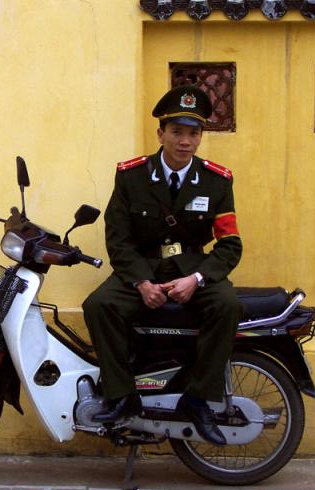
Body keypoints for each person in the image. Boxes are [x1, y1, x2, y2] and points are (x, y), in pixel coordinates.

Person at [82, 85, 242, 446]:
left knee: (227, 305)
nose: (185, 141)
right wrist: (140, 281)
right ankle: (123, 396)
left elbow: (230, 244)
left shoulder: (217, 181)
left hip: (191, 268)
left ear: (201, 137)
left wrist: (197, 279)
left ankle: (198, 399)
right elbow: (118, 238)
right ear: (161, 134)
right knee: (99, 305)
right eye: (177, 132)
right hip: (143, 266)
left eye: (193, 133)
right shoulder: (132, 176)